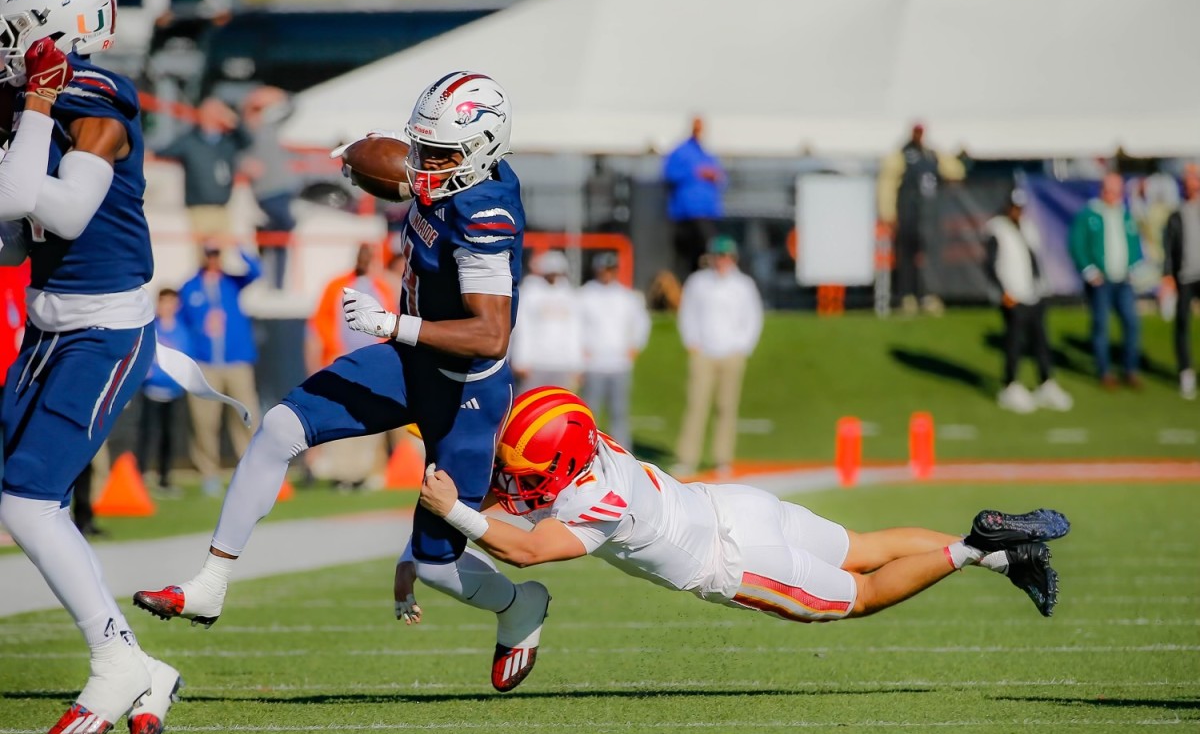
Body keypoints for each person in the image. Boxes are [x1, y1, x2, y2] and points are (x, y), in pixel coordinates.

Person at [135, 71, 551, 694]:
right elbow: (403, 168)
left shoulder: (484, 215)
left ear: (481, 151)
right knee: (279, 426)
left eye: (437, 154)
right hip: (409, 363)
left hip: (466, 389)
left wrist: (395, 323)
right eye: (420, 149)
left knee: (435, 567)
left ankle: (518, 605)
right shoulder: (450, 177)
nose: (421, 166)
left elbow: (491, 335)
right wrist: (366, 154)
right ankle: (210, 584)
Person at [417, 388, 1066, 662]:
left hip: (731, 557)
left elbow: (530, 552)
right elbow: (527, 490)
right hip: (736, 505)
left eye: (531, 468)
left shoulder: (599, 501)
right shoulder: (592, 447)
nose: (519, 476)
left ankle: (974, 546)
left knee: (861, 595)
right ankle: (1006, 556)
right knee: (863, 548)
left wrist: (455, 513)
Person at [0, 0, 181, 734]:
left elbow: (56, 207)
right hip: (49, 325)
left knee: (30, 501)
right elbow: (16, 230)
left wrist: (37, 108)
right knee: (15, 496)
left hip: (103, 331)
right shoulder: (29, 100)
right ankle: (141, 666)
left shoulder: (92, 100)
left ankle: (117, 659)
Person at [304, 243, 397, 488]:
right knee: (341, 416)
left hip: (373, 362)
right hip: (342, 359)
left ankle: (361, 472)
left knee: (369, 417)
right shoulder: (337, 286)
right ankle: (341, 473)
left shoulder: (382, 287)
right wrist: (320, 357)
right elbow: (319, 324)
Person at [177, 237, 262, 496]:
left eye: (217, 253)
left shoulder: (231, 282)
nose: (214, 258)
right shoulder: (190, 287)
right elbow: (181, 327)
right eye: (210, 253)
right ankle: (209, 474)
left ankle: (254, 470)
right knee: (205, 422)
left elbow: (257, 271)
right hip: (206, 364)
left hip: (236, 361)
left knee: (246, 416)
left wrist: (240, 247)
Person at [673, 236, 763, 479]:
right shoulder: (698, 282)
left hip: (731, 353)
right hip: (703, 352)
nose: (722, 261)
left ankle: (722, 459)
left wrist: (742, 346)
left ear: (733, 258)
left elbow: (753, 317)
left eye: (726, 256)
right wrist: (691, 342)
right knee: (696, 405)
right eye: (718, 256)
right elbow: (687, 313)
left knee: (726, 407)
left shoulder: (743, 285)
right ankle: (687, 458)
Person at [983, 191, 1073, 414]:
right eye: (1014, 207)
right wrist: (1003, 293)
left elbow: (1034, 258)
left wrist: (1042, 286)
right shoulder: (997, 229)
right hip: (1013, 295)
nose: (1017, 211)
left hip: (1034, 293)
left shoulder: (1027, 226)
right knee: (1014, 342)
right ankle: (1010, 384)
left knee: (1040, 341)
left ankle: (1045, 382)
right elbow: (989, 265)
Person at [877, 123, 966, 315]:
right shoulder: (901, 155)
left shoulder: (932, 154)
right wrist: (888, 213)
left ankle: (929, 294)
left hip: (930, 215)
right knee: (907, 257)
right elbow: (887, 183)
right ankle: (907, 296)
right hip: (908, 213)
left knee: (931, 257)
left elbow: (955, 171)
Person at [1068, 172, 1144, 389]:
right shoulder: (1090, 214)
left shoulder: (1125, 214)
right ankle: (1105, 371)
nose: (1112, 196)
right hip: (1101, 282)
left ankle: (1131, 369)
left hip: (1124, 280)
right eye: (1108, 190)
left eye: (1116, 191)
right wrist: (1090, 271)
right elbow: (1076, 244)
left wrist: (1134, 266)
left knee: (1131, 323)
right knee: (1101, 325)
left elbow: (1135, 244)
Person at [155, 96, 250, 246]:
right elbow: (163, 152)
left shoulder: (227, 141)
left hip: (223, 207)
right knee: (205, 255)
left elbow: (248, 141)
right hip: (198, 208)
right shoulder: (190, 141)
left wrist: (234, 120)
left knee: (223, 255)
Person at [578, 252, 650, 449]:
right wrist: (580, 353)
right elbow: (575, 326)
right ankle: (586, 451)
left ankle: (621, 452)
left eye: (610, 269)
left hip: (619, 363)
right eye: (603, 269)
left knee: (619, 412)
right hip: (594, 363)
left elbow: (641, 323)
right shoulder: (585, 294)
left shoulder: (627, 297)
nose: (606, 273)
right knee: (590, 412)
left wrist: (634, 346)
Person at [240, 86, 299, 292]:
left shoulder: (267, 126)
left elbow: (293, 106)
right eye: (253, 110)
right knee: (283, 226)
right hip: (266, 191)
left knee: (280, 235)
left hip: (283, 188)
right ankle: (268, 277)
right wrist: (244, 164)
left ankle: (277, 284)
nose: (257, 114)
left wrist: (275, 94)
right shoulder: (243, 133)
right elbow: (231, 154)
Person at [137, 288, 191, 497]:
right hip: (152, 391)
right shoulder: (152, 328)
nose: (167, 307)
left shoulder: (182, 331)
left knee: (169, 437)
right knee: (148, 434)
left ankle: (165, 478)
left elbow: (186, 358)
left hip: (173, 392)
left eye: (171, 302)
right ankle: (140, 475)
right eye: (164, 302)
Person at [510, 249, 584, 394]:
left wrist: (577, 364)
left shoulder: (570, 296)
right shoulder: (530, 293)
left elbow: (575, 332)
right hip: (536, 362)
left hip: (562, 363)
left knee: (561, 407)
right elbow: (523, 328)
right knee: (531, 406)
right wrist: (521, 360)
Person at [663, 116, 725, 276]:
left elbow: (722, 178)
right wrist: (696, 173)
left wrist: (714, 176)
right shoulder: (681, 151)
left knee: (705, 253)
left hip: (707, 213)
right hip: (687, 214)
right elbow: (669, 174)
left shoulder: (707, 153)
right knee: (687, 256)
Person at [1163, 168, 1200, 400]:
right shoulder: (1176, 214)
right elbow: (1169, 248)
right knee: (1182, 324)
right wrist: (1168, 275)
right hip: (1185, 276)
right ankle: (1185, 371)